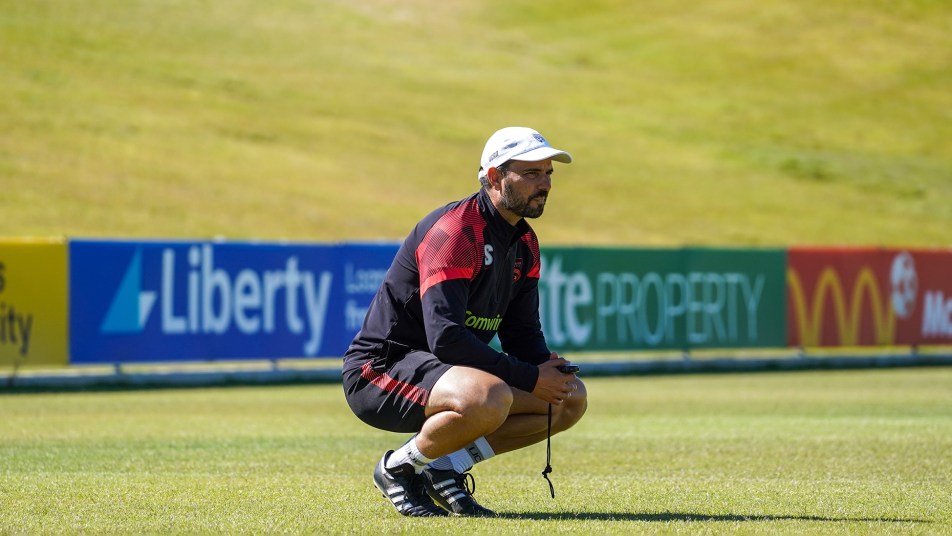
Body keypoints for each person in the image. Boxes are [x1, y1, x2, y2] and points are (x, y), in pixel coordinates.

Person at [341, 126, 588, 517]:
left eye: (548, 174)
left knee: (568, 398)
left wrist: (545, 369)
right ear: (494, 177)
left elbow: (521, 333)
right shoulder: (456, 232)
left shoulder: (525, 242)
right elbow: (447, 340)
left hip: (451, 374)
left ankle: (444, 466)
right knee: (488, 396)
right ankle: (398, 467)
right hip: (380, 370)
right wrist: (528, 377)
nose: (545, 185)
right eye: (531, 174)